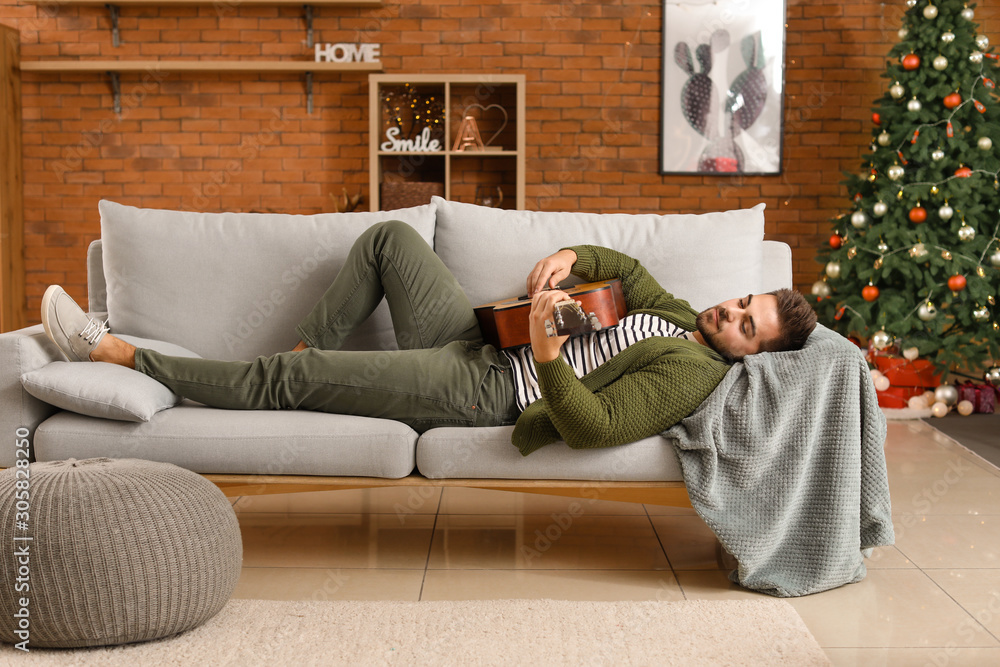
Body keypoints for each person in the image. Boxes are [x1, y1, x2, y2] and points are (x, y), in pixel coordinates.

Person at [40, 220, 816, 456]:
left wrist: (546, 356)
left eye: (748, 326)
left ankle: (119, 353)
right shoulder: (681, 316)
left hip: (487, 388)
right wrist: (569, 260)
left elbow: (598, 426)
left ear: (754, 355)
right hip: (481, 340)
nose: (730, 314)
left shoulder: (694, 372)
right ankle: (315, 348)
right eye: (742, 300)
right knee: (389, 241)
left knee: (283, 380)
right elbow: (628, 270)